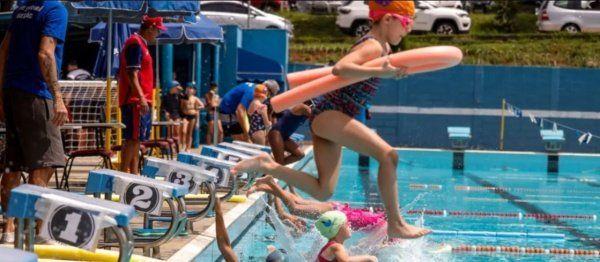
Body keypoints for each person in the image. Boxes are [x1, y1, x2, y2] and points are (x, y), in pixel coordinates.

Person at [232, 1, 430, 239]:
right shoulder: (373, 46)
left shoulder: (383, 46)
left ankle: (267, 164)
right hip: (331, 113)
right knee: (389, 156)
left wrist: (388, 71)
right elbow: (341, 68)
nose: (408, 29)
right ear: (387, 19)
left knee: (323, 190)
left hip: (331, 115)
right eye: (406, 22)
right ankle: (396, 223)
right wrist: (379, 72)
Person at [0, 0, 68, 243]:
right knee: (44, 162)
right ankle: (34, 231)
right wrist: (58, 97)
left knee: (14, 164)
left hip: (12, 92)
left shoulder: (22, 10)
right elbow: (45, 53)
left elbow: (4, 51)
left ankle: (9, 228)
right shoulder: (55, 9)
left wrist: (1, 95)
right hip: (37, 94)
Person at [118, 15, 166, 175]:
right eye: (157, 31)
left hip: (139, 99)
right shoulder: (135, 43)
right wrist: (141, 97)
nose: (157, 34)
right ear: (151, 28)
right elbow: (131, 73)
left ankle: (133, 173)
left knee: (136, 139)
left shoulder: (141, 44)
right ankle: (123, 174)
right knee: (132, 139)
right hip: (135, 100)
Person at [248, 175, 385, 230]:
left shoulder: (381, 219)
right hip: (335, 215)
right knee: (295, 209)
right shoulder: (384, 228)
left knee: (298, 201)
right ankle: (271, 183)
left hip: (338, 208)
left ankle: (267, 187)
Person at [180, 84, 204, 152]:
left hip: (192, 116)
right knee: (184, 131)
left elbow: (202, 105)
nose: (189, 90)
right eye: (188, 88)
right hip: (185, 116)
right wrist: (184, 112)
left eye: (190, 88)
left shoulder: (195, 98)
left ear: (193, 91)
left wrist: (197, 108)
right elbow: (181, 107)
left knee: (190, 133)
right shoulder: (183, 98)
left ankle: (188, 147)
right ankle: (183, 145)